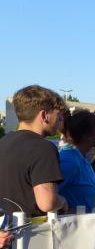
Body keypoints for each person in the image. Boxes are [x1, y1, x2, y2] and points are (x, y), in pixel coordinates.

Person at [0, 85, 68, 218]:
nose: (61, 122)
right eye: (59, 116)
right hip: (30, 228)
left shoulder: (3, 142)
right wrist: (62, 201)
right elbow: (47, 203)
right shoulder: (43, 148)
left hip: (4, 227)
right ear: (44, 115)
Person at [58, 109, 95, 212]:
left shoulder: (81, 157)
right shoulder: (69, 160)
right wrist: (67, 210)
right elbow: (48, 195)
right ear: (86, 135)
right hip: (74, 222)